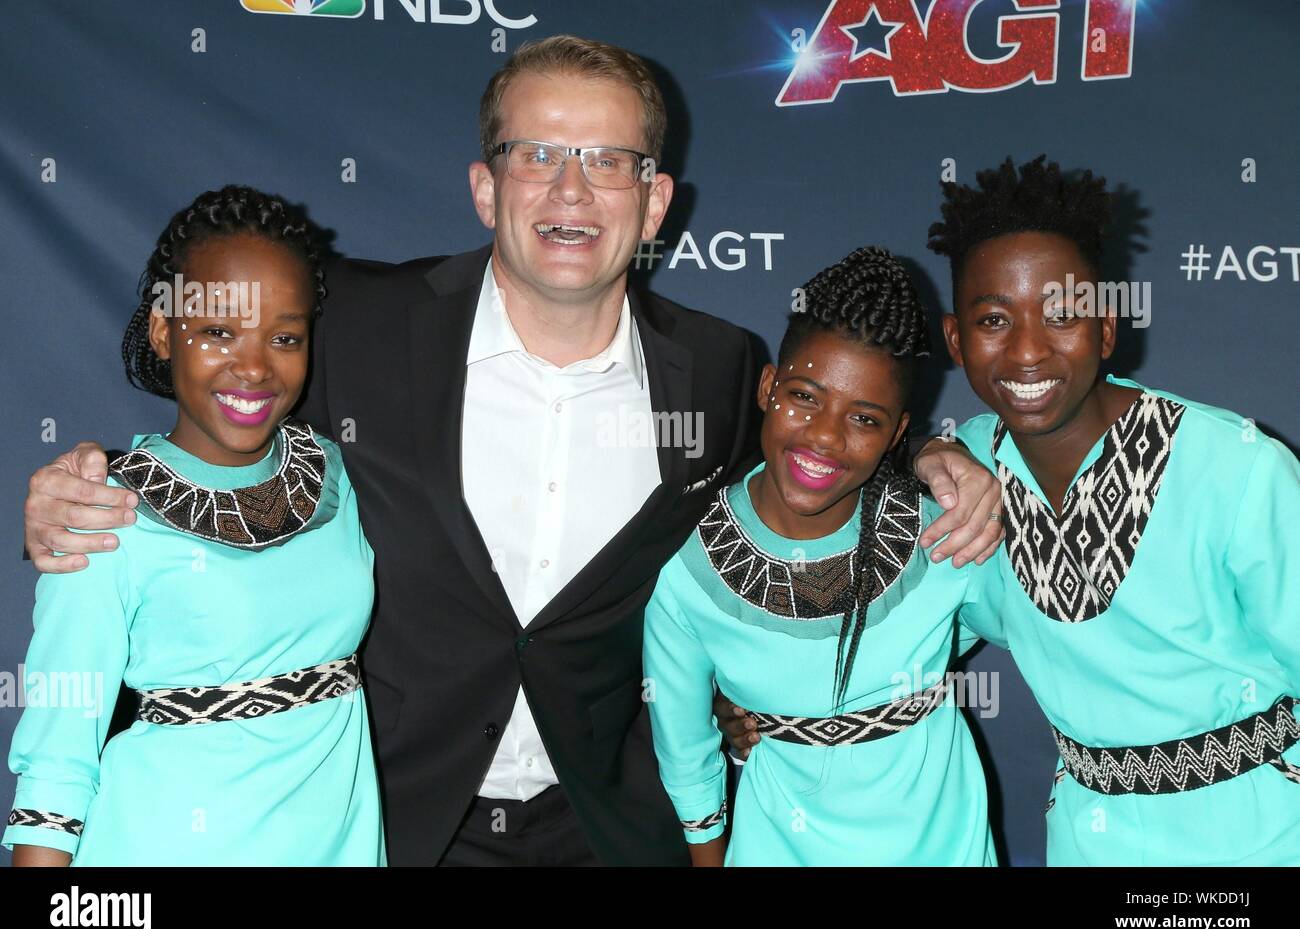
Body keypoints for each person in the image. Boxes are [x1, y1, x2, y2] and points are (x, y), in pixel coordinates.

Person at [19, 37, 1001, 866]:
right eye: (538, 154)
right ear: (486, 188)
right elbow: (226, 416)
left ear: (655, 203)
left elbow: (811, 467)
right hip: (388, 826)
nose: (571, 189)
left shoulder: (716, 369)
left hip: (609, 827)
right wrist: (89, 481)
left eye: (608, 160)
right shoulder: (358, 323)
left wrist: (927, 461)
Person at [927, 156, 1300, 864]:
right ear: (955, 341)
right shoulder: (968, 470)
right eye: (994, 319)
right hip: (1091, 838)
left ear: (1106, 327)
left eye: (1062, 314)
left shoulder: (1235, 468)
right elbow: (897, 636)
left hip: (1262, 835)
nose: (1028, 350)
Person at [5, 185, 384, 866]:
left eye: (284, 337)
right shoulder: (101, 511)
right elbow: (57, 763)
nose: (253, 366)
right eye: (217, 331)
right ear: (161, 330)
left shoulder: (338, 475)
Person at [644, 247, 1003, 866]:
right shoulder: (688, 567)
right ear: (767, 386)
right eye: (805, 396)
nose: (825, 436)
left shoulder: (944, 532)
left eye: (864, 418)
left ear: (896, 434)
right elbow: (686, 757)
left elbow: (1043, 625)